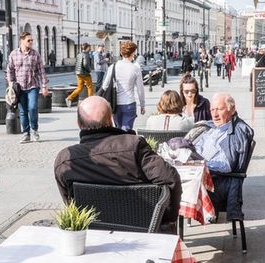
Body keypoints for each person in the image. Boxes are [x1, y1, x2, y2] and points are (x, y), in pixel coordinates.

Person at [54, 95, 181, 227]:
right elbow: (170, 178)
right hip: (142, 229)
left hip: (93, 233)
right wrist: (163, 218)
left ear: (79, 124)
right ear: (111, 120)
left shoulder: (65, 160)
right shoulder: (134, 145)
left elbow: (70, 203)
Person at [192, 93, 254, 220]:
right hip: (199, 174)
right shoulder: (210, 128)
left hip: (217, 184)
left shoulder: (237, 131)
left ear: (232, 109)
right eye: (212, 110)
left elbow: (227, 165)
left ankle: (166, 226)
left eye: (219, 109)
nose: (215, 114)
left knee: (174, 189)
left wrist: (202, 164)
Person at [7, 31, 49, 143]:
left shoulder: (35, 54)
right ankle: (26, 134)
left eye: (32, 40)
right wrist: (11, 84)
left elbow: (41, 71)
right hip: (19, 87)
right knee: (23, 111)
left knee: (33, 108)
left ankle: (34, 130)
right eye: (28, 40)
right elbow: (10, 70)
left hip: (33, 86)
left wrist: (44, 85)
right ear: (22, 41)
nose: (31, 42)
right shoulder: (13, 54)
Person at [104, 41, 145, 131]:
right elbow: (140, 89)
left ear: (121, 53)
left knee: (118, 129)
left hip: (115, 104)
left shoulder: (113, 67)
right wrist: (142, 105)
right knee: (126, 130)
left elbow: (105, 85)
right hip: (129, 103)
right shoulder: (135, 69)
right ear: (133, 53)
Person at [66, 43, 94, 107]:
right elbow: (85, 64)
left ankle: (69, 98)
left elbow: (76, 63)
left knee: (79, 88)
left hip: (78, 73)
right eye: (89, 47)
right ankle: (91, 101)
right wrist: (89, 70)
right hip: (85, 73)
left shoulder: (79, 54)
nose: (90, 49)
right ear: (87, 48)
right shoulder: (86, 55)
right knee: (90, 87)